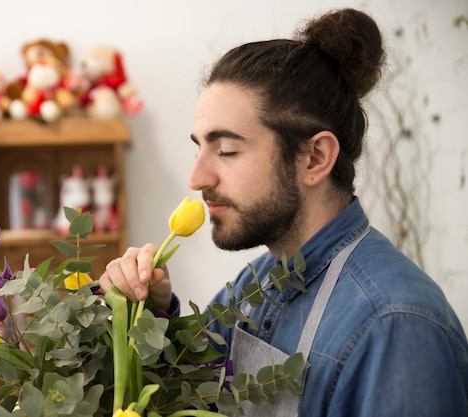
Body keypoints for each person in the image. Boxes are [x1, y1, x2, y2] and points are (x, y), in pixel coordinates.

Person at [99, 7, 468, 417]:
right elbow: (184, 394)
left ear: (314, 158)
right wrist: (152, 312)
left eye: (226, 150)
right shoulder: (255, 283)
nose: (197, 177)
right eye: (199, 148)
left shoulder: (396, 328)